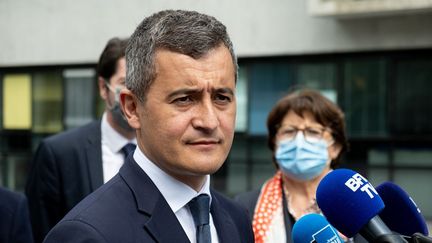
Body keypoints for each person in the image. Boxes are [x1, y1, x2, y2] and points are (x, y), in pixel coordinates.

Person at [43, 9, 254, 243]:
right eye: (184, 99)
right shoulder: (88, 235)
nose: (209, 121)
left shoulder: (237, 220)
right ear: (132, 108)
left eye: (221, 98)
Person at [25, 37, 137, 243]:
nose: (132, 94)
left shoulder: (163, 153)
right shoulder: (59, 153)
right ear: (104, 88)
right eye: (125, 83)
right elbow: (40, 231)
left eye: (140, 84)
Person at [235, 89, 349, 243]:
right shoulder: (245, 208)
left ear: (335, 147)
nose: (299, 142)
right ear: (275, 143)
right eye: (289, 131)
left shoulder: (356, 206)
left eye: (313, 131)